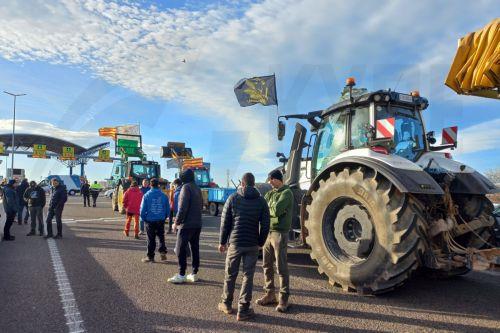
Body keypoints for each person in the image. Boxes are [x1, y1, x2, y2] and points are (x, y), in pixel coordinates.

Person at [218, 173, 270, 321]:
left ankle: (226, 304)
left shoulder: (233, 198)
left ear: (242, 183)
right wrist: (260, 242)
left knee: (230, 274)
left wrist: (222, 242)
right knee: (248, 276)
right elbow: (266, 224)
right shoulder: (261, 201)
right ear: (254, 184)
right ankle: (243, 309)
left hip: (235, 243)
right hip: (252, 244)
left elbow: (225, 223)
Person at [256, 169, 294, 313]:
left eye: (271, 180)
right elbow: (262, 208)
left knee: (281, 266)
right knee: (266, 265)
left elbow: (277, 210)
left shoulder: (287, 193)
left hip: (279, 233)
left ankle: (283, 299)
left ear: (277, 179)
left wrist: (270, 212)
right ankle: (269, 294)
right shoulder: (271, 193)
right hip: (268, 233)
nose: (270, 183)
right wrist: (271, 212)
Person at [168, 168, 203, 284]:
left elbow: (182, 208)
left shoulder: (185, 187)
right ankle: (194, 273)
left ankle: (181, 274)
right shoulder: (197, 188)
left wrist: (176, 223)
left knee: (179, 249)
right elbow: (201, 206)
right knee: (194, 248)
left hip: (187, 224)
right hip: (197, 223)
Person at [140, 178, 169, 263]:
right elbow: (167, 208)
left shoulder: (146, 195)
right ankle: (163, 251)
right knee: (161, 237)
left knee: (151, 239)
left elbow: (142, 209)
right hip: (160, 220)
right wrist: (164, 217)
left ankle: (150, 256)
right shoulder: (164, 195)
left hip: (150, 220)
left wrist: (143, 218)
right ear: (158, 185)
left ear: (150, 185)